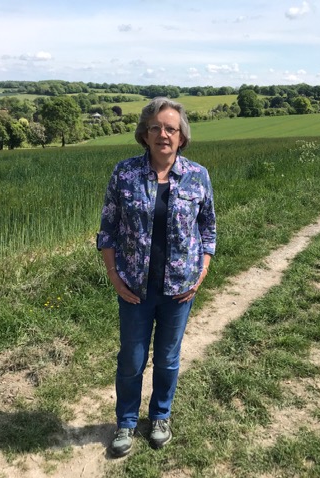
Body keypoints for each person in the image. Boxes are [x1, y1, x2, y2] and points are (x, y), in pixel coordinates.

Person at [97, 97, 216, 457]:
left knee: (167, 358)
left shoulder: (197, 176)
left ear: (181, 137)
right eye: (156, 128)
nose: (163, 134)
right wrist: (115, 277)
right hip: (134, 288)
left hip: (179, 288)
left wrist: (202, 270)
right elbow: (107, 230)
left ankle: (160, 415)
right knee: (131, 359)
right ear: (145, 135)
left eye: (171, 128)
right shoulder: (125, 174)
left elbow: (208, 229)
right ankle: (126, 422)